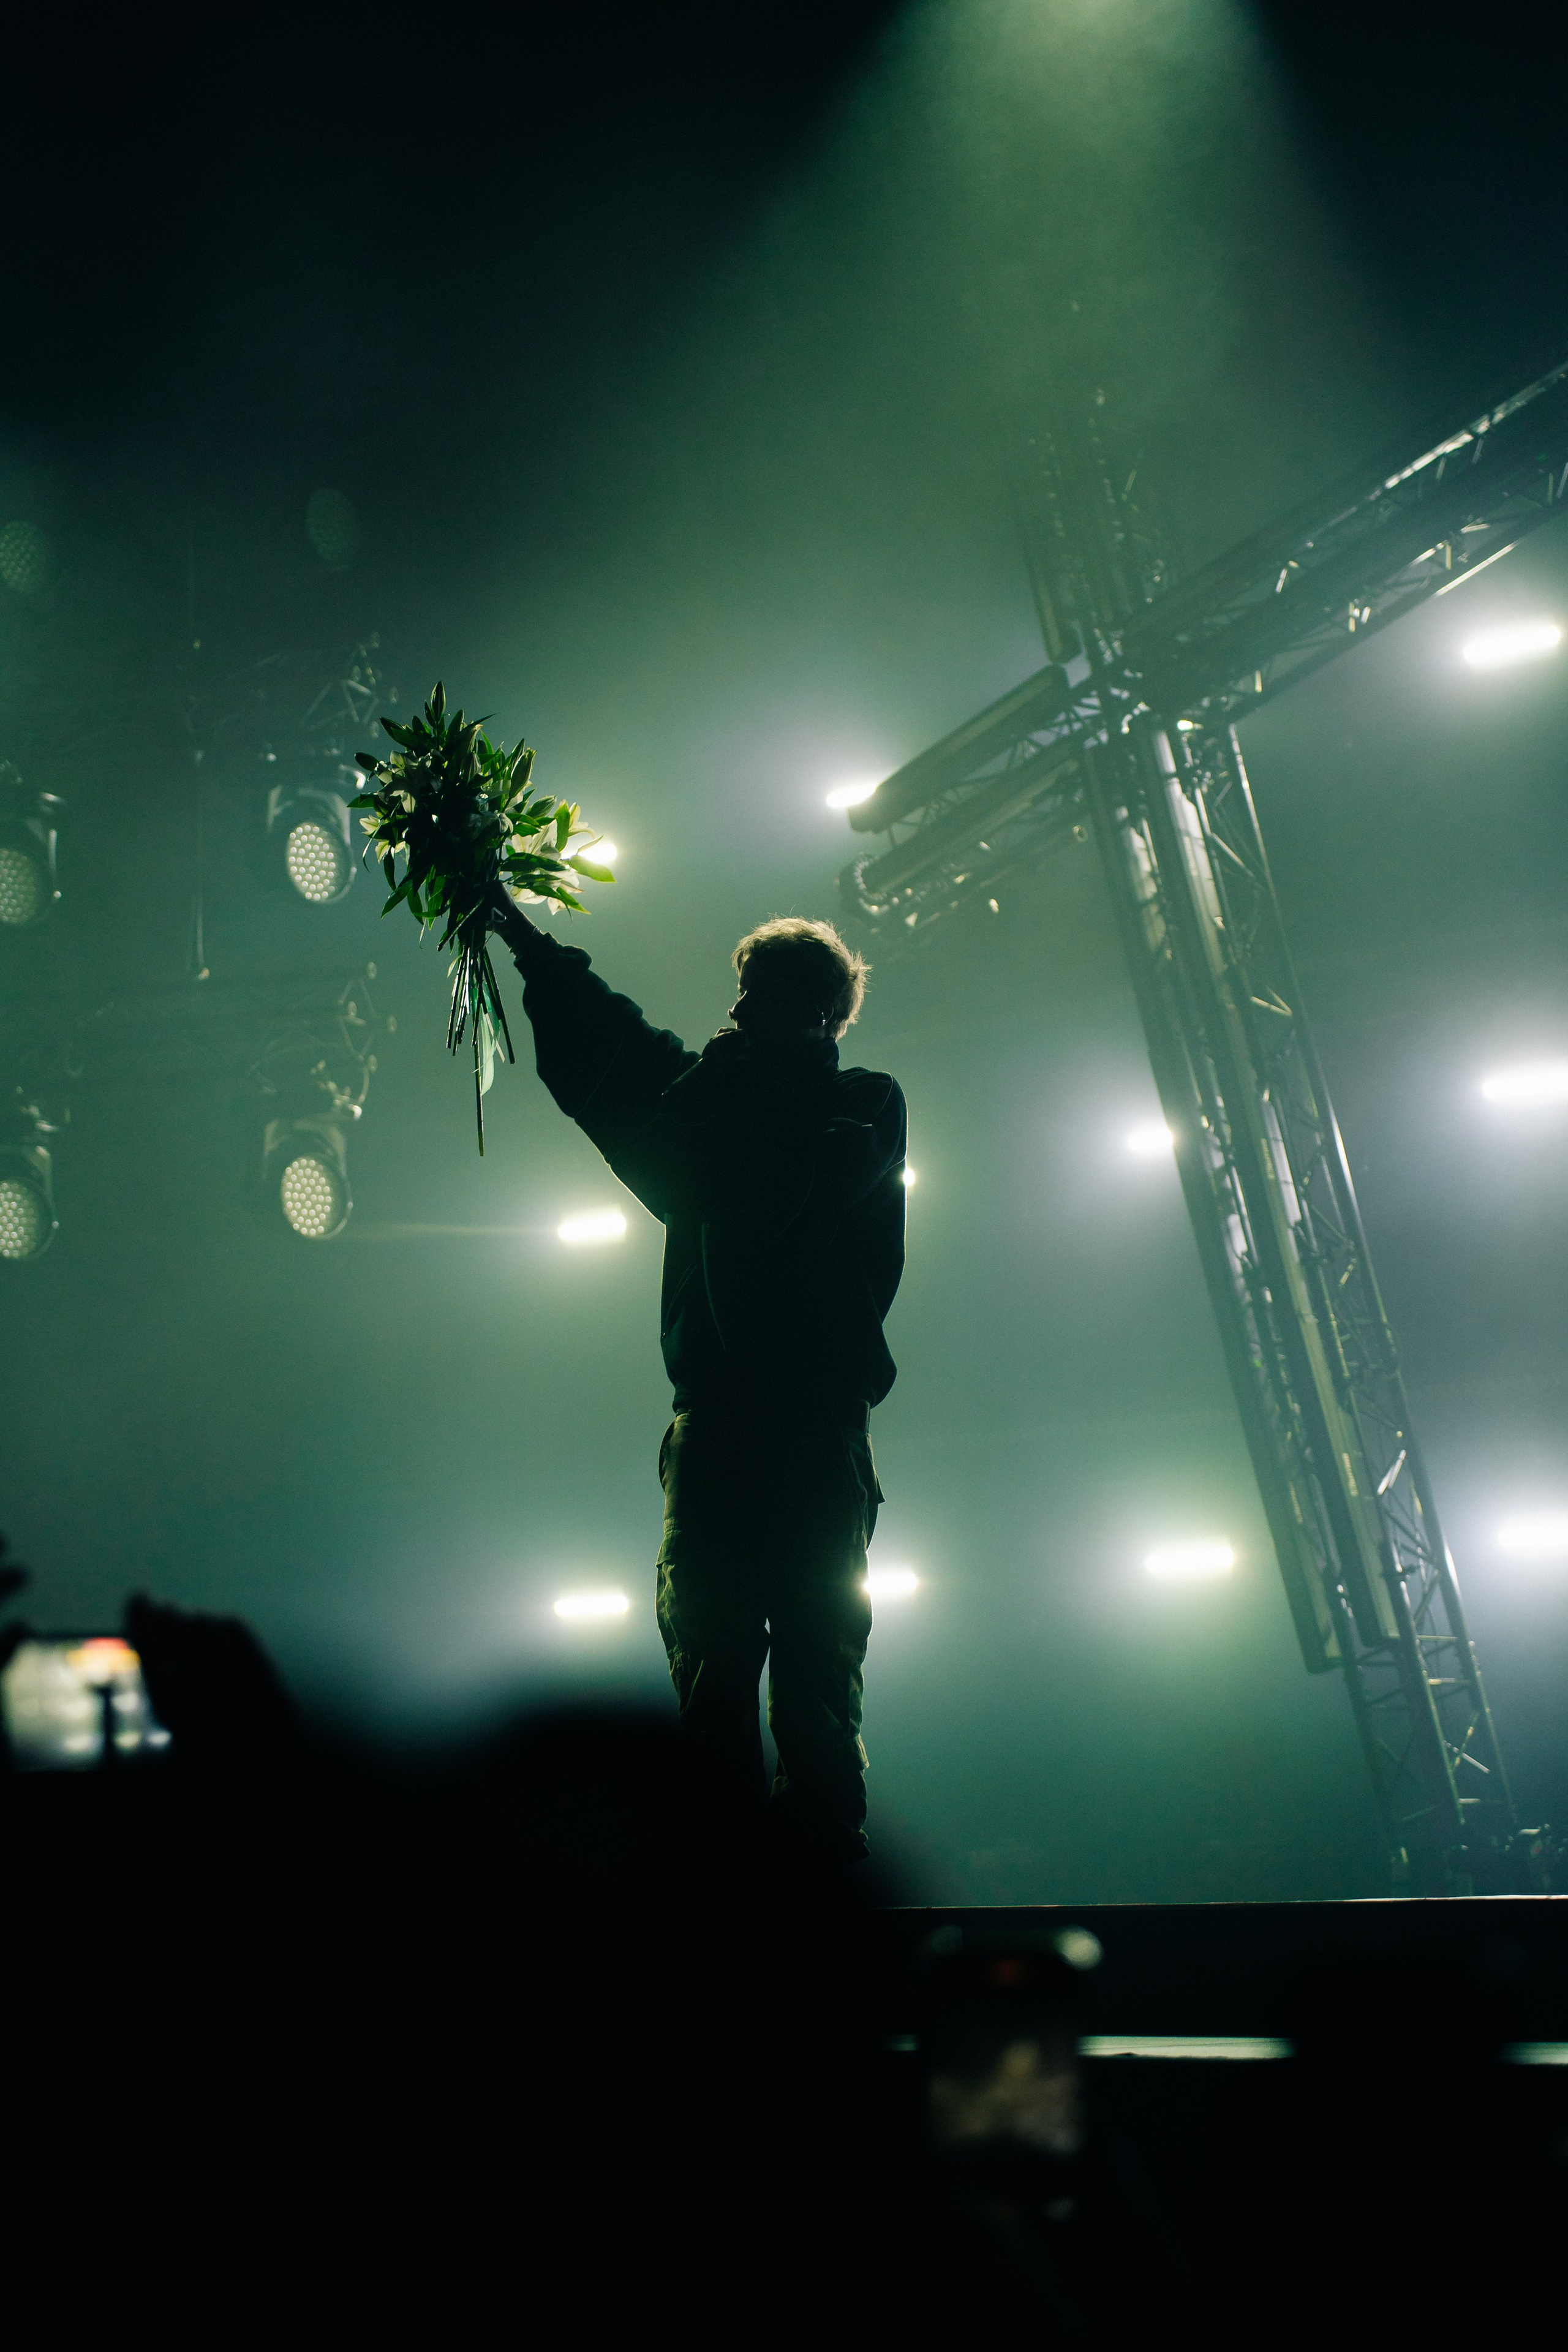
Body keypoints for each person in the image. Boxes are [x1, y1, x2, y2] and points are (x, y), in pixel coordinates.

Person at [489, 897, 907, 1861]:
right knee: (711, 1669)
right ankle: (721, 1896)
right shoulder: (716, 1096)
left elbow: (782, 1182)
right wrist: (522, 938)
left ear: (817, 1014)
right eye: (740, 994)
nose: (739, 1013)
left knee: (813, 1677)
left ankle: (820, 1897)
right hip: (719, 1427)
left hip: (810, 1425)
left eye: (759, 997)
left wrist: (728, 1085)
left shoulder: (863, 1105)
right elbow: (619, 1049)